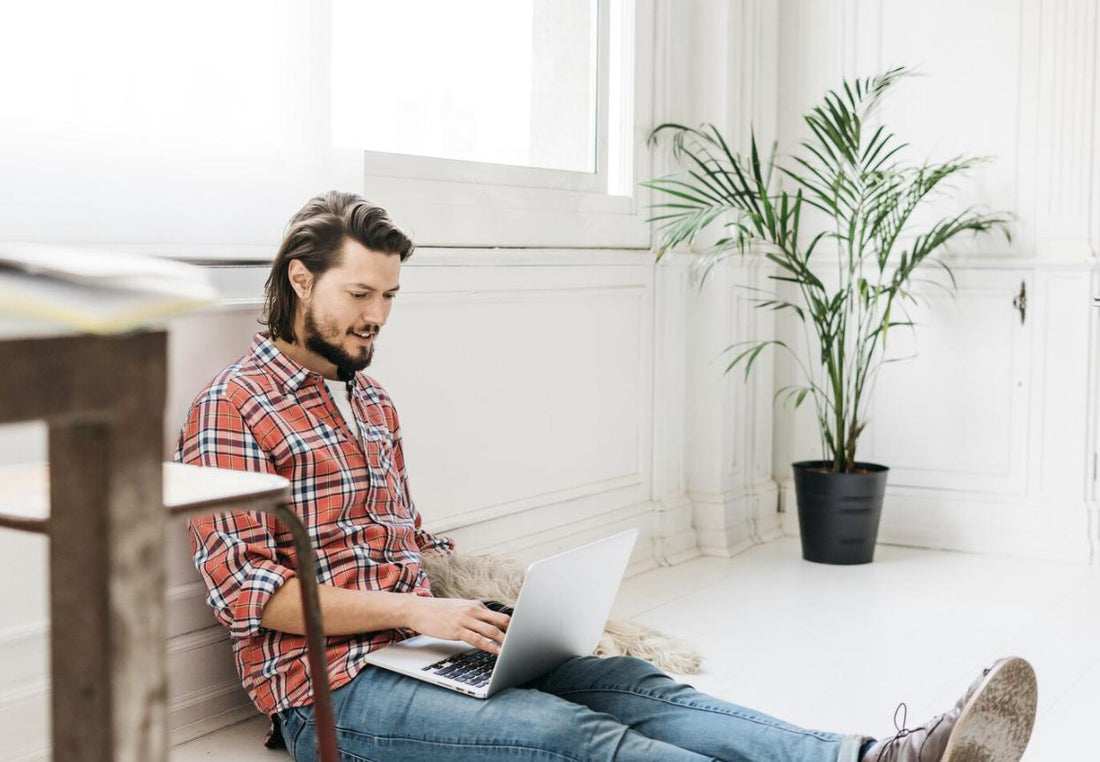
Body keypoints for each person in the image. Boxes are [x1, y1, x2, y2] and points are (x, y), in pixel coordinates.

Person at [176, 191, 1038, 762]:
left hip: (430, 649)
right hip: (330, 694)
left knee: (637, 688)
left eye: (391, 297)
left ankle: (874, 758)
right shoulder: (233, 410)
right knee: (578, 738)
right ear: (299, 279)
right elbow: (256, 598)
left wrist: (502, 618)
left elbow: (404, 544)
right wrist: (417, 610)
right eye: (362, 294)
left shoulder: (372, 402)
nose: (377, 317)